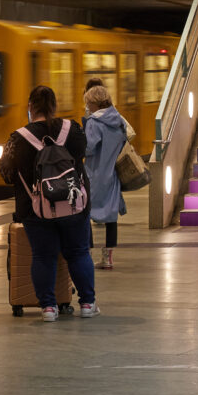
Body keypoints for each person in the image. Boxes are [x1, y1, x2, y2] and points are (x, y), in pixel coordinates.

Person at [0, 85, 99, 322]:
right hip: (74, 205)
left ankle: (48, 308)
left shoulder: (18, 138)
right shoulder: (72, 130)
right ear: (54, 106)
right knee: (78, 252)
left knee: (43, 256)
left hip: (36, 210)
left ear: (31, 108)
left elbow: (6, 174)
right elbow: (84, 152)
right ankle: (87, 303)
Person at [83, 84, 129, 270]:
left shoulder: (94, 123)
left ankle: (87, 253)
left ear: (94, 103)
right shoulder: (119, 120)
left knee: (85, 213)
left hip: (94, 174)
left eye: (88, 103)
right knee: (111, 217)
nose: (87, 106)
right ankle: (108, 257)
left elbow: (88, 148)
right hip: (112, 174)